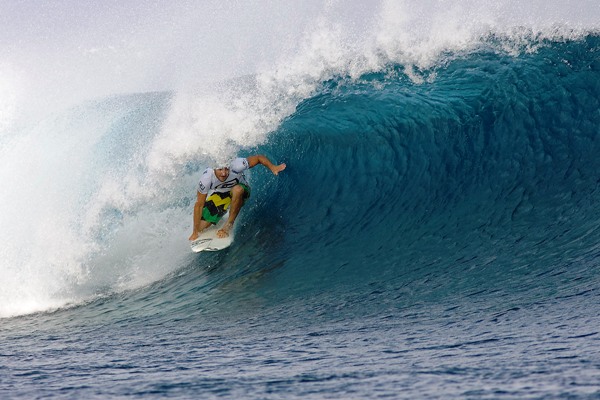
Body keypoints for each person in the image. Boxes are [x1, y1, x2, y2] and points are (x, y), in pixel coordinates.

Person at [189, 155, 286, 241]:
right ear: (214, 169)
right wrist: (195, 231)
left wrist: (273, 167)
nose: (224, 173)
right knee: (200, 228)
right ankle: (219, 217)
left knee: (237, 189)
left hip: (242, 190)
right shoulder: (206, 178)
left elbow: (258, 158)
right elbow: (199, 205)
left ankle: (229, 224)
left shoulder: (236, 165)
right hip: (221, 194)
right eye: (220, 170)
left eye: (226, 169)